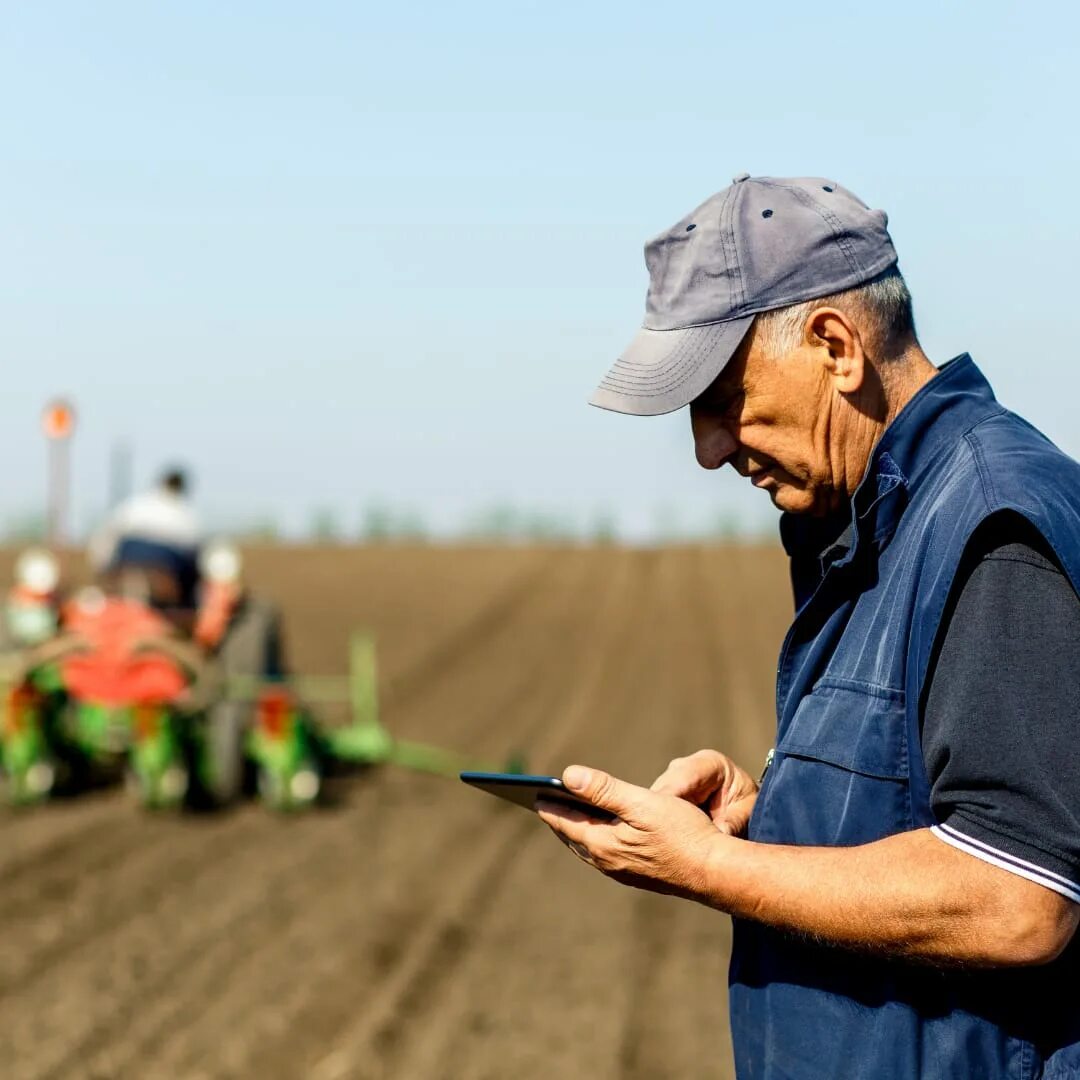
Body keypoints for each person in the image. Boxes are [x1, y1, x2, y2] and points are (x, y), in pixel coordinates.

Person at [537, 174, 1080, 1078]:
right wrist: (776, 814)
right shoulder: (875, 523)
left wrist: (707, 868)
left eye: (721, 398)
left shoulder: (991, 525)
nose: (708, 450)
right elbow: (920, 807)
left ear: (835, 346)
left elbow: (1018, 897)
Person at [88, 467, 202, 611]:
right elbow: (194, 556)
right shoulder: (187, 516)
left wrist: (103, 569)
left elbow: (106, 536)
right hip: (163, 567)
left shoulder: (135, 504)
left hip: (127, 563)